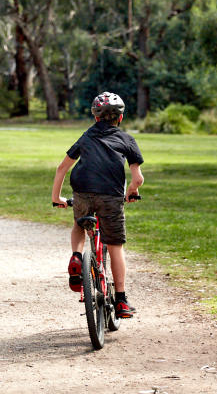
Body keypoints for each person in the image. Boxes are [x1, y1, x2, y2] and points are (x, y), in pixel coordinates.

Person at [50, 91, 144, 318]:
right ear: (120, 118)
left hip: (82, 192)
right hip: (110, 197)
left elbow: (62, 168)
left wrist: (57, 197)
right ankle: (121, 300)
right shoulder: (126, 140)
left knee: (80, 225)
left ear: (95, 117)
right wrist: (132, 191)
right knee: (115, 246)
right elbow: (138, 178)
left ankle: (76, 257)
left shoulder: (87, 137)